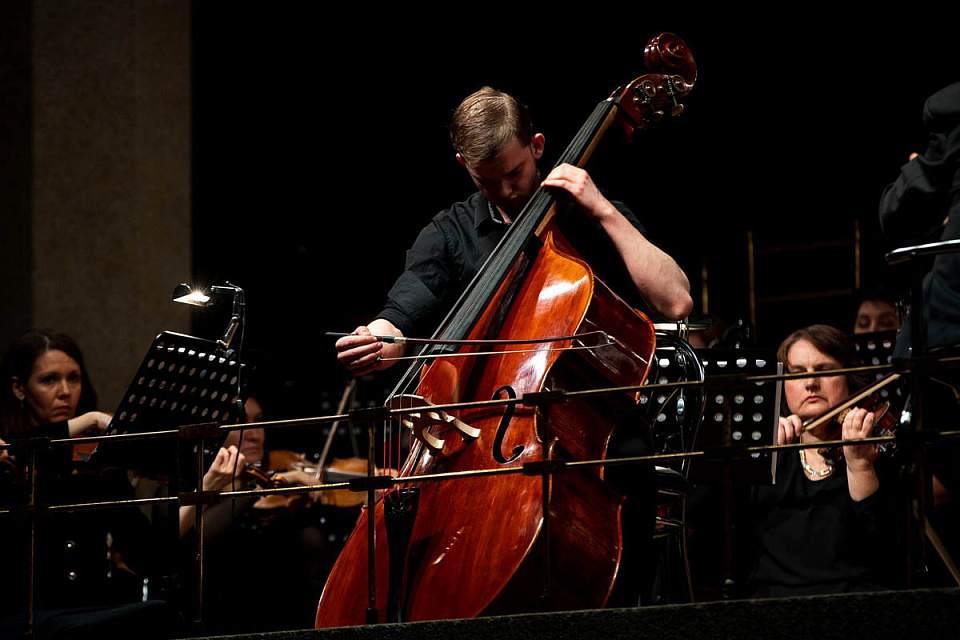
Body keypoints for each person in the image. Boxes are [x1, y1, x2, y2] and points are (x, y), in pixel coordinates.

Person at [335, 86, 693, 374]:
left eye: (514, 174)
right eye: (487, 181)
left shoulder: (588, 212)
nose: (505, 191)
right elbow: (397, 322)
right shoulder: (449, 233)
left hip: (591, 406)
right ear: (464, 165)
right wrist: (375, 342)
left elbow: (675, 302)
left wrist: (604, 211)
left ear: (536, 146)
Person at [0, 330, 176, 636]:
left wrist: (193, 492)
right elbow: (21, 449)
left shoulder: (93, 456)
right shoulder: (8, 454)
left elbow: (143, 555)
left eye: (74, 378)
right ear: (19, 387)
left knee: (162, 615)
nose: (65, 391)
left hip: (93, 609)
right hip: (22, 613)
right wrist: (90, 419)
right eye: (49, 380)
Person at [744, 324, 902, 597]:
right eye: (797, 373)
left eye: (824, 370)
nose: (811, 383)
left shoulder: (872, 447)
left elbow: (886, 550)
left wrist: (859, 466)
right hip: (773, 607)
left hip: (855, 603)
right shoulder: (769, 451)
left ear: (848, 377)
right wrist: (753, 455)